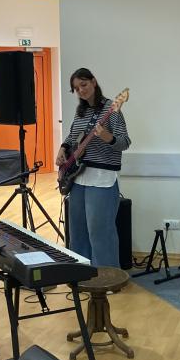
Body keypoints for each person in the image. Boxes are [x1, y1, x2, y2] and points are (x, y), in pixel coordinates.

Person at [55, 68, 130, 267]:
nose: (81, 90)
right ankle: (82, 274)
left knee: (100, 232)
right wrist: (63, 149)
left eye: (84, 84)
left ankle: (107, 277)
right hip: (78, 178)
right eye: (76, 88)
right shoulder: (81, 112)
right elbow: (72, 136)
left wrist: (107, 137)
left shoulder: (112, 110)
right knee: (77, 232)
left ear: (93, 82)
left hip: (101, 178)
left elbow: (124, 142)